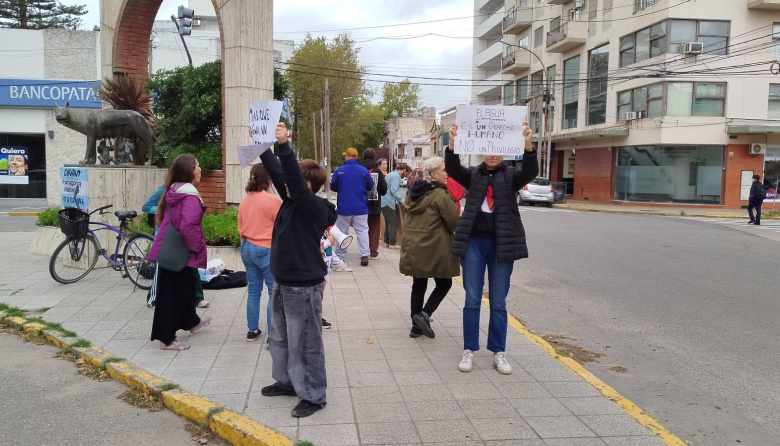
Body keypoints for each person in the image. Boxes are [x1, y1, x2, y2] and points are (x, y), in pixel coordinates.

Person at [445, 121, 536, 375]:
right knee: (472, 299)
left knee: (498, 302)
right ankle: (469, 350)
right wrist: (452, 144)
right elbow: (452, 168)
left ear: (505, 151)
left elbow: (529, 171)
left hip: (501, 246)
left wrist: (528, 145)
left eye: (498, 150)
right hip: (473, 243)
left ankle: (499, 351)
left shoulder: (511, 175)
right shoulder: (473, 174)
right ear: (482, 151)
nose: (493, 154)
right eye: (488, 149)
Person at [259, 122, 337, 418]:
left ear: (307, 186)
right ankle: (287, 382)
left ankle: (314, 395)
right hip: (282, 281)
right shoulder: (291, 198)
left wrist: (284, 146)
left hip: (304, 287)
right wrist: (263, 146)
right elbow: (280, 175)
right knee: (279, 337)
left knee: (305, 342)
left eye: (294, 182)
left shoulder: (312, 207)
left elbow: (288, 174)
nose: (285, 186)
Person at [147, 154, 212, 351]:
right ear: (190, 172)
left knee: (186, 287)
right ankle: (167, 339)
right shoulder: (189, 195)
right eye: (198, 166)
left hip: (171, 249)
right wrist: (197, 247)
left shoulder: (175, 189)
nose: (200, 169)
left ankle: (191, 321)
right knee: (172, 295)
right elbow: (188, 225)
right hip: (181, 253)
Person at [399, 157, 460, 339]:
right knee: (444, 283)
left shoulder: (412, 193)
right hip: (434, 246)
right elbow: (453, 222)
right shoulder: (440, 195)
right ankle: (424, 315)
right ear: (433, 174)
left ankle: (415, 327)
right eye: (443, 170)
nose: (447, 173)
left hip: (413, 245)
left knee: (419, 282)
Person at [238, 163, 281, 341]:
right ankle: (273, 334)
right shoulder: (272, 200)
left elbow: (240, 226)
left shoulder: (245, 199)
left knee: (254, 291)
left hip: (247, 247)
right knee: (273, 291)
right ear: (268, 179)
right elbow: (281, 225)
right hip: (265, 248)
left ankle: (252, 330)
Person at [330, 147, 374, 267]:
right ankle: (364, 255)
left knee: (342, 232)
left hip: (344, 207)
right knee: (363, 231)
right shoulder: (363, 170)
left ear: (347, 156)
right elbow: (370, 186)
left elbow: (333, 186)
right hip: (360, 207)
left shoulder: (340, 170)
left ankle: (340, 256)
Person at [361, 149, 388, 260]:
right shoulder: (377, 171)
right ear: (374, 158)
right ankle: (373, 252)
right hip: (375, 205)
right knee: (374, 229)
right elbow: (384, 188)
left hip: (362, 204)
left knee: (362, 229)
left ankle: (364, 251)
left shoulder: (360, 170)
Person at [382, 164, 409, 249]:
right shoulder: (396, 176)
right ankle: (392, 243)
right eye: (407, 173)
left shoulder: (391, 174)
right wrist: (402, 201)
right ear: (404, 170)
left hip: (383, 201)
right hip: (388, 202)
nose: (407, 175)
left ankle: (386, 241)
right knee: (393, 223)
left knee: (388, 223)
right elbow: (394, 190)